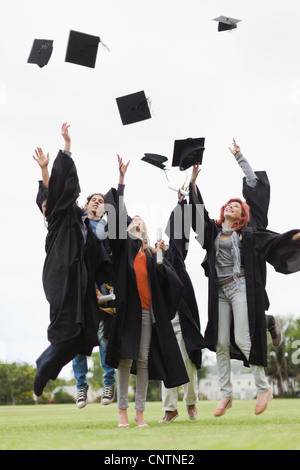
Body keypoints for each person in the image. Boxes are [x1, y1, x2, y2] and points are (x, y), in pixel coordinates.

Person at [189, 158, 300, 417]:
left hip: (240, 288)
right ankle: (226, 394)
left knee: (242, 338)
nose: (231, 205)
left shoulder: (247, 234)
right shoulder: (213, 232)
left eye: (236, 205)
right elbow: (197, 213)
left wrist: (296, 236)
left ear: (242, 216)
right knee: (220, 342)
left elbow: (274, 240)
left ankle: (263, 388)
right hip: (219, 291)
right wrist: (193, 182)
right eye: (229, 203)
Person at [105, 156, 189, 428]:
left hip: (146, 313)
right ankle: (122, 412)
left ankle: (140, 414)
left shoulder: (152, 256)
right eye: (134, 222)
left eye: (141, 222)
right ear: (128, 228)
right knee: (125, 360)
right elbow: (117, 217)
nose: (138, 223)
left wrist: (162, 259)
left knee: (142, 361)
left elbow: (169, 285)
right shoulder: (122, 250)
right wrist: (121, 182)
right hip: (126, 312)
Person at [33, 123, 111, 397]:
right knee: (67, 330)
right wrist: (63, 150)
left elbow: (97, 252)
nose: (48, 205)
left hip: (80, 284)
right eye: (45, 204)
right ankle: (44, 368)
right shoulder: (58, 218)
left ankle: (44, 365)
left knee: (83, 335)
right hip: (62, 279)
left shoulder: (80, 222)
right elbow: (53, 193)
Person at [229, 139, 282, 346]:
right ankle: (265, 322)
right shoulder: (229, 227)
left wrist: (239, 157)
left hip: (253, 271)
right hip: (231, 277)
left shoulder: (255, 216)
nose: (234, 207)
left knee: (250, 309)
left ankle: (267, 322)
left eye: (238, 205)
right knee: (234, 318)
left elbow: (253, 182)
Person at [158, 191, 204, 423]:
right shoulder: (146, 262)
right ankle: (170, 409)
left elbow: (177, 236)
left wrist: (180, 205)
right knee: (168, 364)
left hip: (183, 317)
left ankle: (190, 402)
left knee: (188, 363)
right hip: (163, 322)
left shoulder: (173, 258)